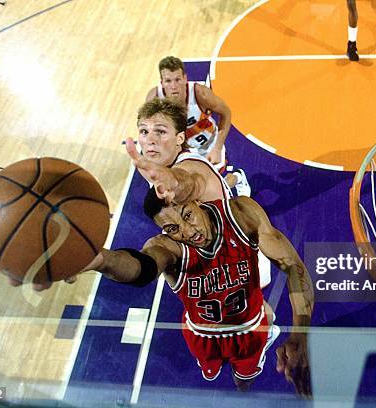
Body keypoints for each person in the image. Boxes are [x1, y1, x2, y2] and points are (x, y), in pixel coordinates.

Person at [83, 189, 314, 395]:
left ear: (196, 200)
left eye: (187, 215)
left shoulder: (240, 215)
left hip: (249, 328)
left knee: (243, 380)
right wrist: (103, 260)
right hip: (202, 334)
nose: (187, 231)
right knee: (210, 372)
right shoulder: (165, 247)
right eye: (172, 228)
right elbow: (142, 268)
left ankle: (242, 388)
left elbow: (293, 266)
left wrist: (300, 333)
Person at [128, 98, 271, 288]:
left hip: (240, 248)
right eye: (144, 131)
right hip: (207, 237)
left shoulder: (189, 168)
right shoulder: (149, 165)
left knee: (251, 309)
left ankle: (236, 180)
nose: (150, 140)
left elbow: (185, 183)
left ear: (179, 138)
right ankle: (236, 178)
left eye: (160, 131)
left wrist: (173, 184)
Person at [145, 56, 250, 196]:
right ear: (162, 82)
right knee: (178, 191)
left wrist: (217, 148)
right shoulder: (154, 99)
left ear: (185, 78)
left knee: (212, 190)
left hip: (206, 147)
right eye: (168, 81)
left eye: (177, 79)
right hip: (178, 149)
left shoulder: (200, 94)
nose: (173, 86)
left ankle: (238, 177)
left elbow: (226, 113)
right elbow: (147, 131)